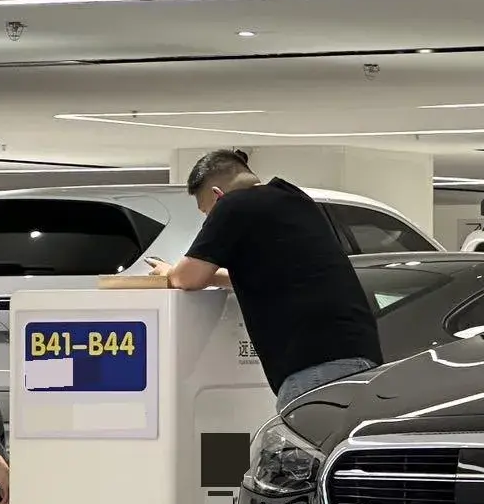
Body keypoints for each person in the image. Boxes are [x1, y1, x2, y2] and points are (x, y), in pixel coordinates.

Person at [150, 150, 384, 409]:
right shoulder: (294, 198)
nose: (209, 219)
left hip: (313, 369)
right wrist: (211, 277)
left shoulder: (232, 205)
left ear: (217, 195)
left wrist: (168, 273)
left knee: (303, 435)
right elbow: (270, 272)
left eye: (207, 213)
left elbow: (187, 278)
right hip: (361, 358)